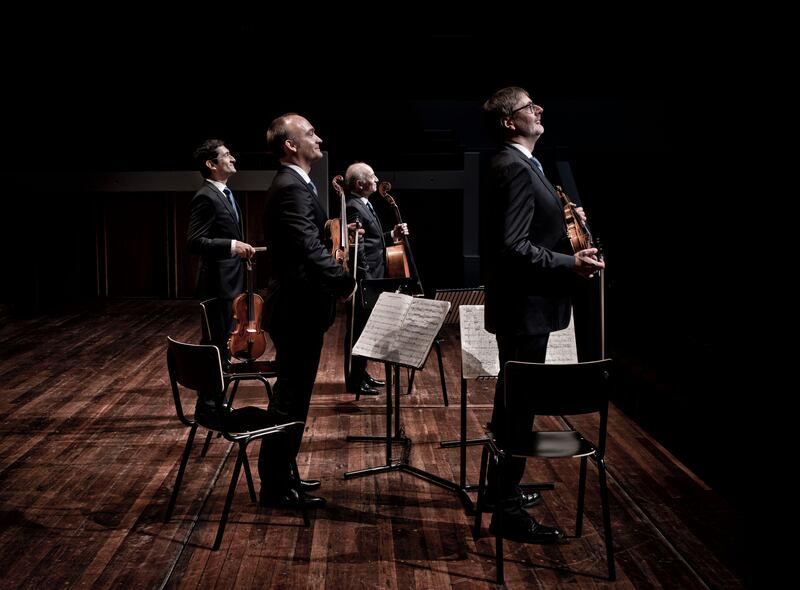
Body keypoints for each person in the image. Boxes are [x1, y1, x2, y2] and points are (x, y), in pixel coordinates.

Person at [482, 87, 605, 543]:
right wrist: (569, 262)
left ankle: (499, 492)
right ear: (509, 122)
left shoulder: (525, 164)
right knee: (518, 410)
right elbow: (513, 246)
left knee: (513, 405)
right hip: (525, 309)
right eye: (528, 106)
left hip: (526, 307)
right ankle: (507, 512)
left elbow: (532, 229)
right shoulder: (513, 166)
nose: (539, 110)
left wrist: (564, 222)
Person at [260, 113, 356, 509]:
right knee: (290, 398)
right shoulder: (291, 187)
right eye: (311, 133)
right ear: (290, 144)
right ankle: (276, 487)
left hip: (298, 308)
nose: (319, 138)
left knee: (294, 397)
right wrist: (343, 282)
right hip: (296, 309)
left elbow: (308, 239)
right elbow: (306, 247)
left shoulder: (297, 185)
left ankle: (284, 475)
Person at [342, 162, 408, 395]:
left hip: (373, 275)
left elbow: (371, 240)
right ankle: (354, 380)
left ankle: (362, 374)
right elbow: (356, 248)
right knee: (359, 330)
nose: (377, 179)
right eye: (372, 176)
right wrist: (367, 280)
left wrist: (392, 235)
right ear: (360, 184)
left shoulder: (364, 204)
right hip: (365, 278)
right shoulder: (353, 207)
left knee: (365, 328)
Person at [187, 139, 256, 356]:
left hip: (231, 281)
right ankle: (209, 389)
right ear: (211, 164)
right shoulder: (205, 197)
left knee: (225, 339)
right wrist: (233, 245)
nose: (233, 158)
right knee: (215, 340)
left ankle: (219, 384)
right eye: (226, 155)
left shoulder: (225, 192)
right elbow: (194, 241)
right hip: (217, 284)